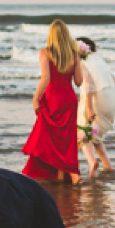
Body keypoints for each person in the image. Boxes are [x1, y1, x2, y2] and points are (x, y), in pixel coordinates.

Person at [22, 19, 84, 184]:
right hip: (69, 99)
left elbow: (46, 78)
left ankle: (68, 174)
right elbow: (79, 82)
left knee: (49, 138)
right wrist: (78, 62)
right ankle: (65, 174)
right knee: (66, 139)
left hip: (52, 99)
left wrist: (35, 98)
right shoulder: (74, 54)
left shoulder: (45, 53)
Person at [75, 36, 115, 178]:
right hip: (112, 98)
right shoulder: (98, 60)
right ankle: (108, 166)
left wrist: (89, 107)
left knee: (83, 132)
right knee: (96, 134)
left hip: (98, 98)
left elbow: (88, 83)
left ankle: (92, 161)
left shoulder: (82, 62)